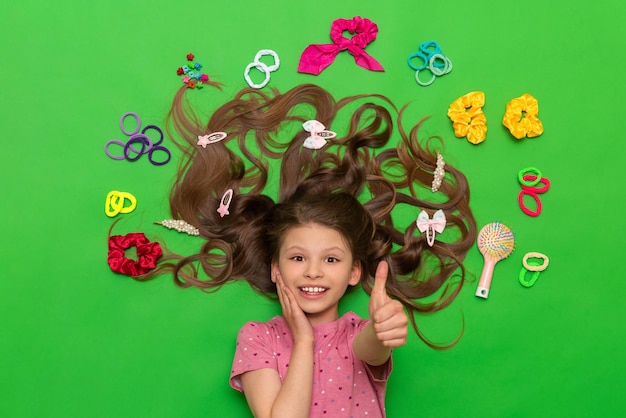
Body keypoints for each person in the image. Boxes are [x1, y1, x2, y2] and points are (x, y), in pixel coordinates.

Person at [137, 83, 477, 417]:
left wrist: (382, 329)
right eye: (298, 258)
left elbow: (371, 347)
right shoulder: (258, 338)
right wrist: (303, 342)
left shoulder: (357, 333)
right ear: (275, 268)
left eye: (331, 259)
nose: (313, 271)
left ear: (354, 273)